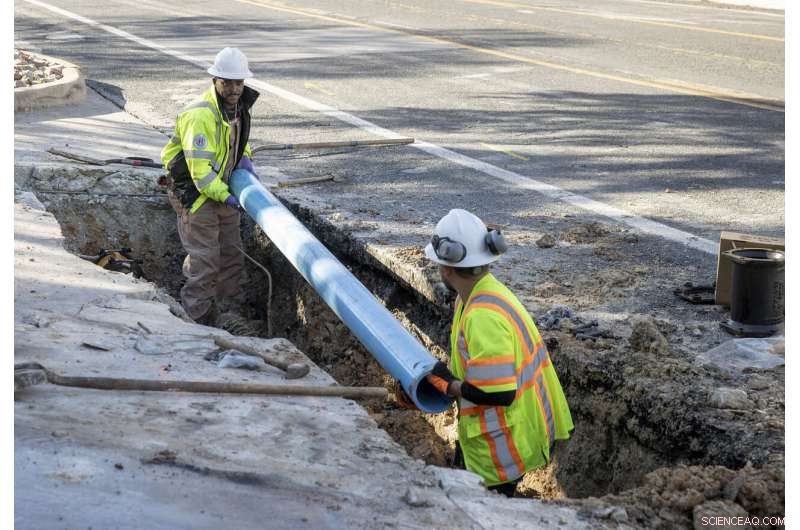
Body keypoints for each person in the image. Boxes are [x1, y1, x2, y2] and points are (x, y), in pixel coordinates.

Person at [421, 209, 574, 497]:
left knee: (478, 509)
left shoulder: (482, 315)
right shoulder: (480, 294)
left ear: (446, 268)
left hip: (503, 446)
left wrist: (449, 385)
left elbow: (500, 394)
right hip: (509, 431)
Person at [161, 47, 261, 333]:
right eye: (227, 82)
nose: (233, 89)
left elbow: (236, 141)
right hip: (195, 194)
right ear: (215, 80)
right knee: (204, 261)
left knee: (231, 255)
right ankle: (196, 322)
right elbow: (200, 173)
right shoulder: (200, 115)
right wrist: (229, 196)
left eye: (238, 83)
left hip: (221, 189)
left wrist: (246, 159)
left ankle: (231, 315)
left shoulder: (238, 107)